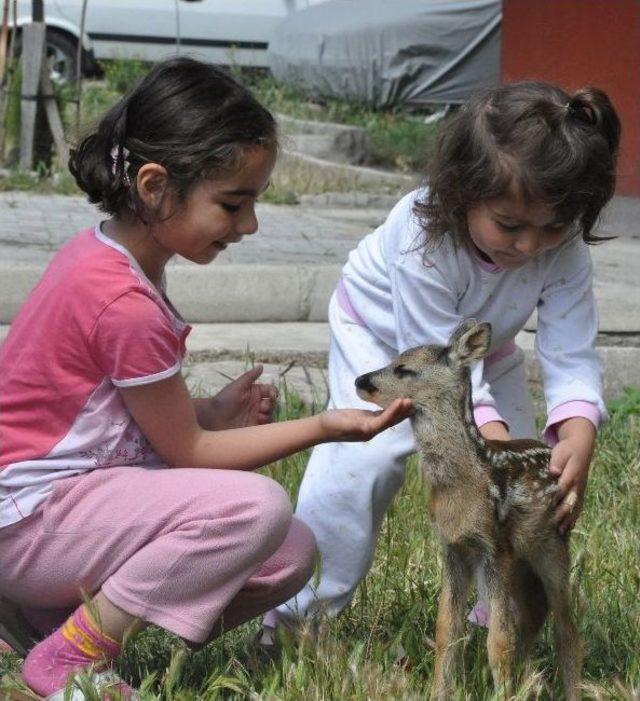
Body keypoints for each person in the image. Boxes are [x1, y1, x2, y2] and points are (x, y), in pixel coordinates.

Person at [0, 57, 413, 699]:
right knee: (257, 508)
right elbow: (189, 453)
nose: (248, 225)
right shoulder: (122, 302)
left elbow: (98, 414)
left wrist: (211, 413)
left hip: (55, 518)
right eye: (233, 203)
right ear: (154, 185)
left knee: (289, 553)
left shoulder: (108, 259)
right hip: (27, 527)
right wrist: (326, 427)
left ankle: (44, 625)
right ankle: (67, 662)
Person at [265, 81, 621, 635]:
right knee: (368, 461)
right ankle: (294, 615)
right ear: (461, 192)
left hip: (483, 353)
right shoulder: (420, 234)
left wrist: (577, 432)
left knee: (523, 485)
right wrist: (495, 445)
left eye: (551, 226)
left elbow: (569, 348)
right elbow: (443, 372)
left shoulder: (565, 245)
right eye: (509, 225)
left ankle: (494, 620)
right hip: (384, 341)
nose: (529, 246)